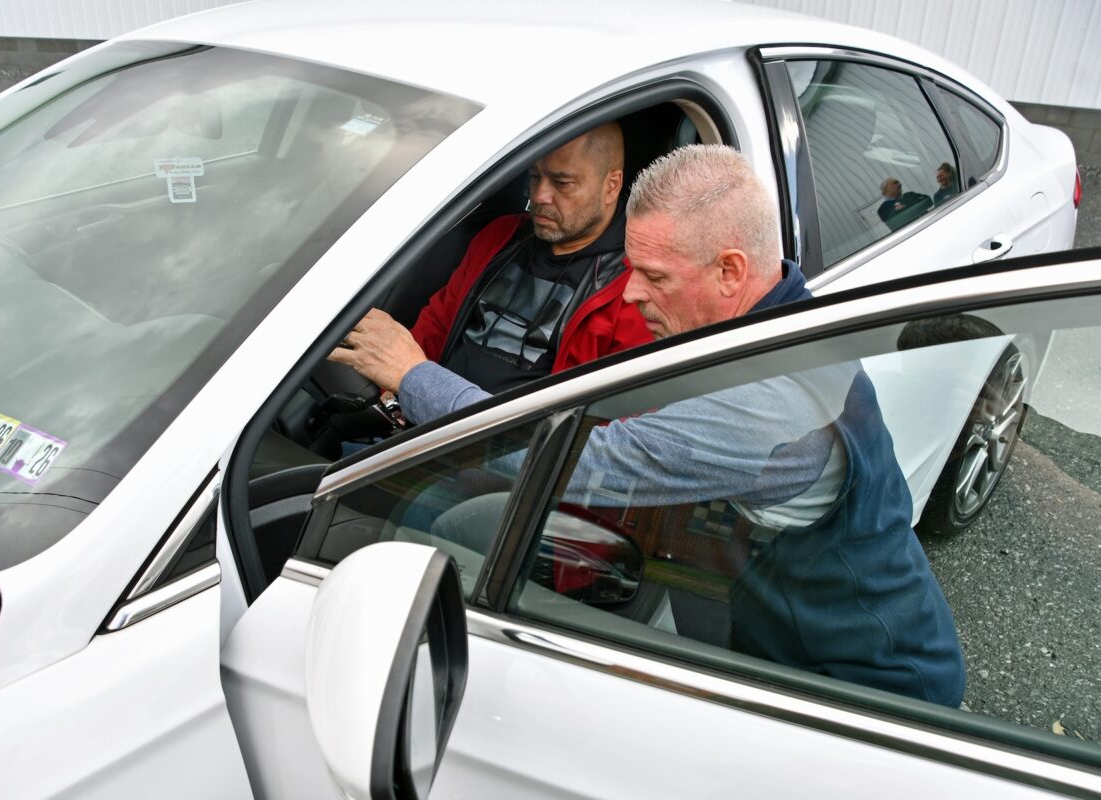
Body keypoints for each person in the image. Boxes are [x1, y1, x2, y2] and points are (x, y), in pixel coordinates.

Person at [336, 144, 965, 707]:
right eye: (633, 267)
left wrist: (413, 375)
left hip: (870, 686)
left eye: (655, 277)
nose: (630, 293)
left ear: (730, 271)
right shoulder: (763, 325)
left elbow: (585, 463)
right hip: (771, 637)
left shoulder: (776, 399)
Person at [332, 122, 651, 414]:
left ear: (612, 186)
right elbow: (438, 325)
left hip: (509, 455)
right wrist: (395, 392)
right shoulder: (501, 236)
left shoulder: (636, 286)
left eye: (562, 182)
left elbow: (606, 420)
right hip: (420, 419)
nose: (539, 195)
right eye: (535, 175)